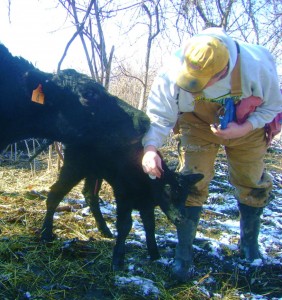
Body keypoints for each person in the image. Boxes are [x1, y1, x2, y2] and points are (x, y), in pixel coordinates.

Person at [141, 27, 282, 282]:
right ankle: (183, 251)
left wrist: (245, 127)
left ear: (223, 72)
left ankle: (249, 246)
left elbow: (273, 105)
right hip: (197, 123)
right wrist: (150, 148)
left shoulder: (257, 64)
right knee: (192, 180)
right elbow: (160, 115)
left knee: (252, 182)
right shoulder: (172, 69)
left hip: (248, 124)